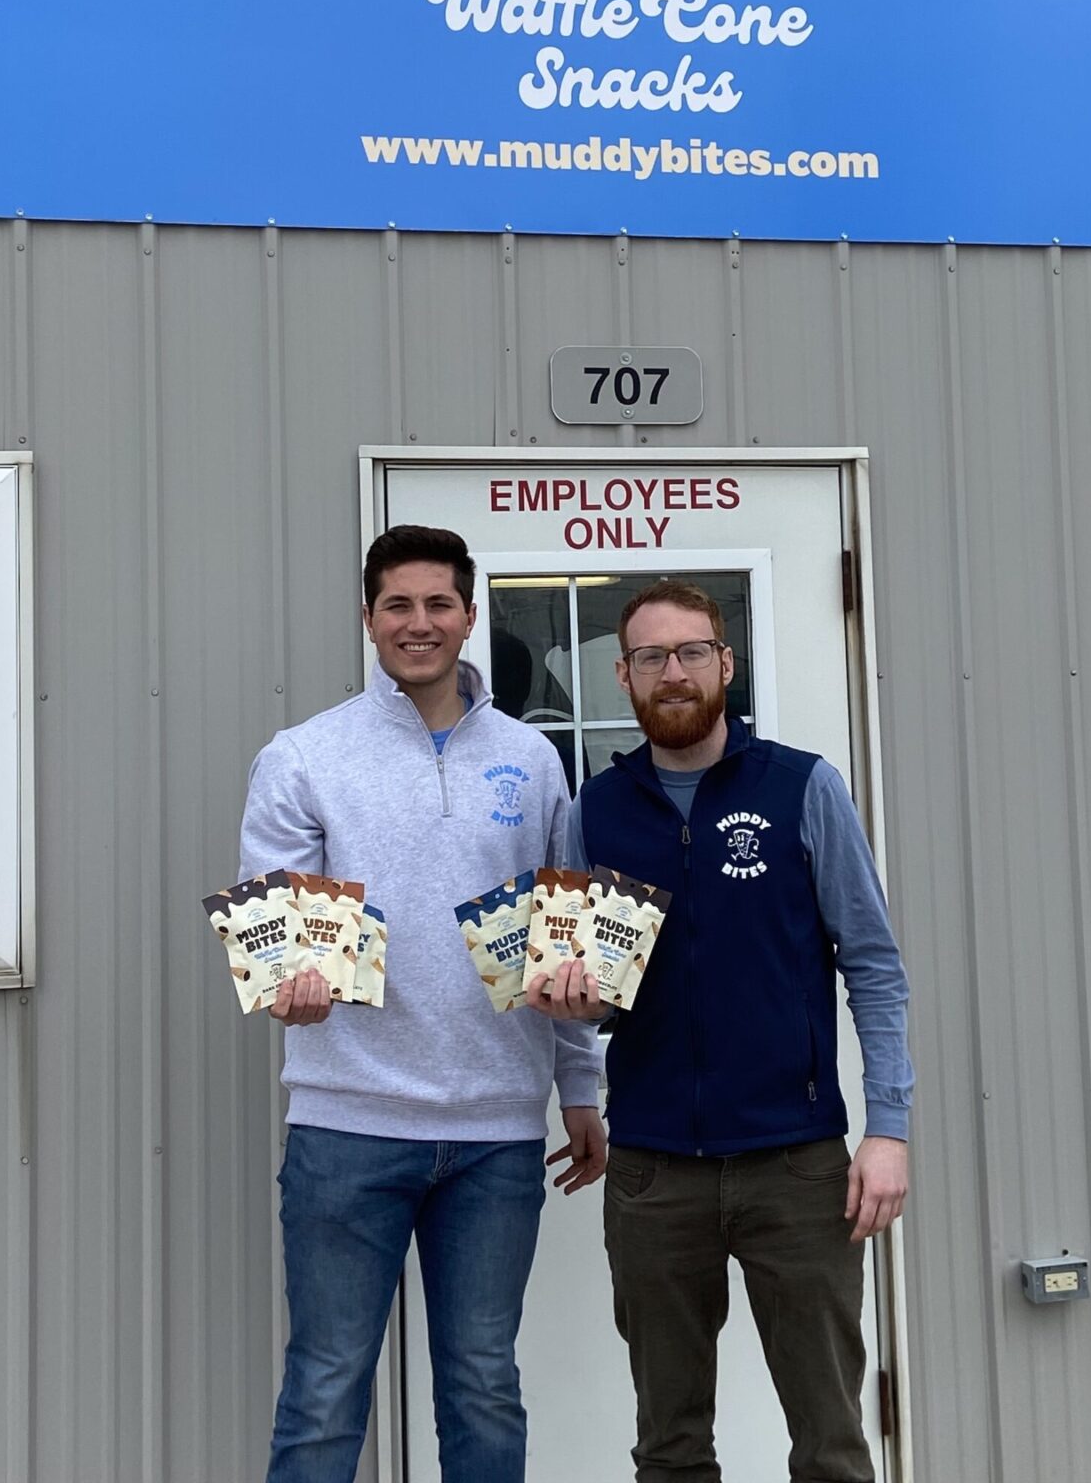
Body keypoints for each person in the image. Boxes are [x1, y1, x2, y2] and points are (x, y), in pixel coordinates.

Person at [239, 524, 605, 1483]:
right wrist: (290, 993)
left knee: (483, 1384)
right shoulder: (303, 757)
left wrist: (580, 1087)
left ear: (470, 617)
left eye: (439, 603)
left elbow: (559, 943)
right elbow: (280, 943)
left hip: (496, 1134)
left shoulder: (532, 760)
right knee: (326, 1388)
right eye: (397, 604)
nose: (419, 622)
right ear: (367, 619)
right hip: (346, 1127)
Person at [528, 577, 912, 1483]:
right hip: (655, 1172)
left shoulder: (802, 786)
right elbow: (598, 991)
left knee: (831, 1442)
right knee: (669, 1447)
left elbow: (874, 965)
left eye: (692, 651)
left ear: (725, 664)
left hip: (798, 1166)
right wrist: (577, 1009)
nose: (674, 672)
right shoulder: (595, 810)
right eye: (651, 656)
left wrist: (888, 1130)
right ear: (622, 675)